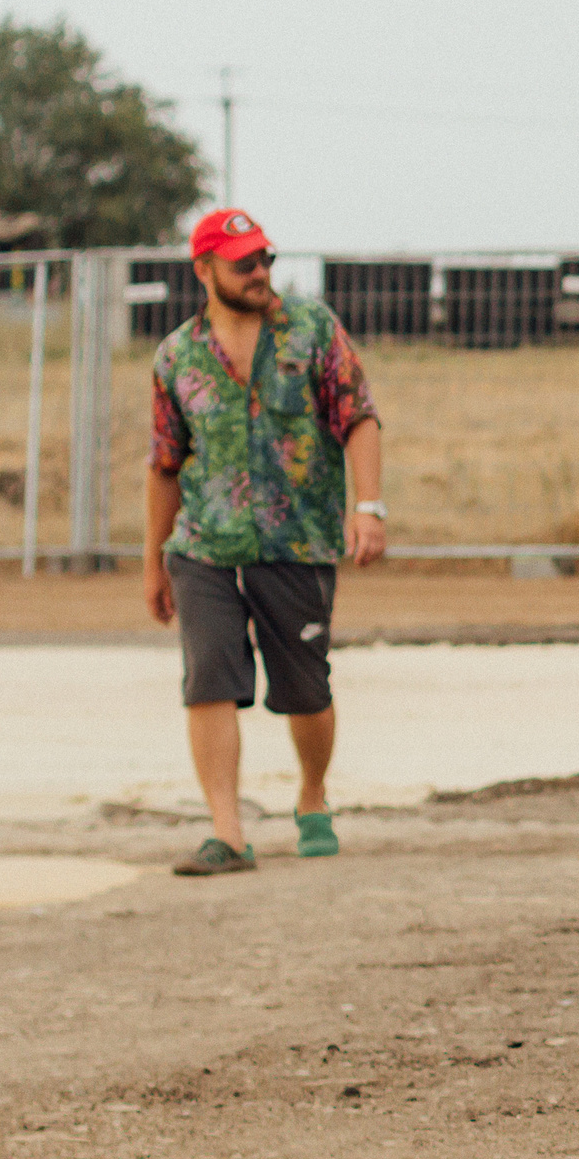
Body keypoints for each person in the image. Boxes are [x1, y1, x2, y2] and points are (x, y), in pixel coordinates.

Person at [142, 208, 386, 875]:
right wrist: (153, 563)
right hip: (204, 544)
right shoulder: (176, 356)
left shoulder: (312, 331)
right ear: (204, 269)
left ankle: (312, 794)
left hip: (296, 541)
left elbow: (359, 417)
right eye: (243, 263)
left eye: (265, 259)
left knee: (305, 689)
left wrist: (368, 507)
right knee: (208, 681)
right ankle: (227, 833)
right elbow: (164, 464)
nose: (259, 272)